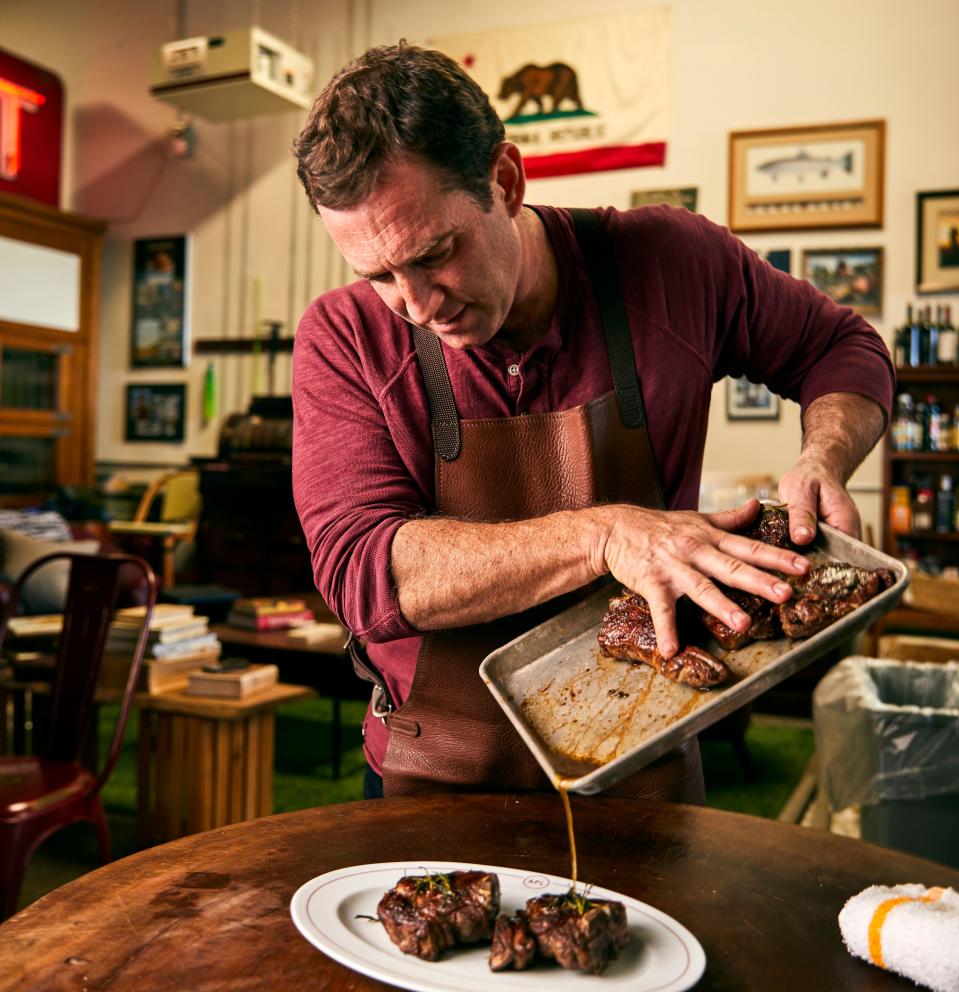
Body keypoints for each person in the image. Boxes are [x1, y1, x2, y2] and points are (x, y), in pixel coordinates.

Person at [291, 42, 894, 800]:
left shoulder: (671, 264)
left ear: (505, 180)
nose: (416, 303)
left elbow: (840, 345)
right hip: (433, 777)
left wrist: (822, 456)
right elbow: (364, 571)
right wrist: (607, 533)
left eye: (436, 253)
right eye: (378, 275)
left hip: (650, 752)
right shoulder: (344, 338)